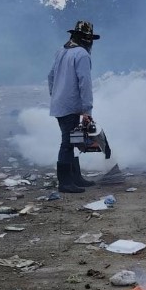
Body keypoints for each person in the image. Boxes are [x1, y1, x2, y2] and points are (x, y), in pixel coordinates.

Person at [48, 20, 100, 193]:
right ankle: (65, 183)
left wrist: (55, 95)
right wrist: (87, 110)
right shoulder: (82, 54)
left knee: (72, 139)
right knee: (67, 143)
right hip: (70, 105)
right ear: (86, 39)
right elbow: (85, 83)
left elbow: (50, 76)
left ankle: (75, 178)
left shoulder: (61, 51)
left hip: (61, 103)